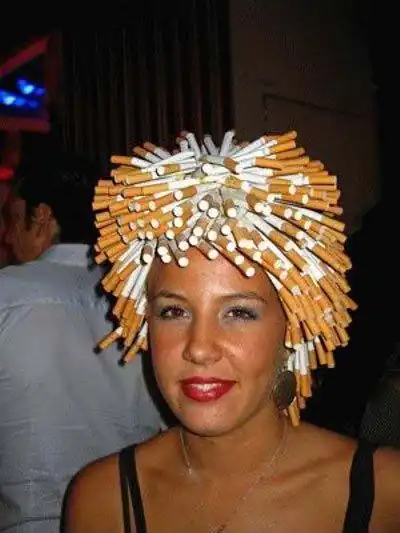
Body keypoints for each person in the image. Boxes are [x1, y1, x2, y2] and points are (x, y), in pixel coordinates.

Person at [63, 130, 400, 532]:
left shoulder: (386, 493)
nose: (200, 348)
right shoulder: (100, 501)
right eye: (174, 311)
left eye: (239, 313)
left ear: (292, 326)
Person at [0, 145, 164, 533]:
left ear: (42, 218)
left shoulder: (6, 295)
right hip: (138, 519)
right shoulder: (146, 297)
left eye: (13, 219)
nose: (6, 235)